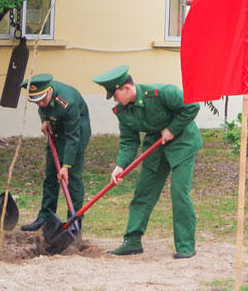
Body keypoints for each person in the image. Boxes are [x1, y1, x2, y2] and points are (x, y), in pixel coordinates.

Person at [93, 65, 202, 258]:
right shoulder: (123, 112)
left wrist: (172, 129)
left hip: (183, 144)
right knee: (143, 192)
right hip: (156, 147)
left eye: (115, 94)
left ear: (126, 88)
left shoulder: (162, 93)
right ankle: (132, 241)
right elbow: (129, 142)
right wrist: (120, 166)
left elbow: (192, 106)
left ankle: (185, 246)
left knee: (179, 192)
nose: (114, 99)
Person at [18, 73, 92, 232]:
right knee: (50, 176)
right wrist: (44, 120)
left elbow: (73, 137)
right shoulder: (41, 97)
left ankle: (75, 219)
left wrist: (66, 166)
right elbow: (43, 108)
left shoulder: (67, 102)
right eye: (36, 101)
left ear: (49, 91)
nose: (40, 104)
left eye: (43, 100)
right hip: (56, 131)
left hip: (76, 134)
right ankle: (45, 217)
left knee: (72, 178)